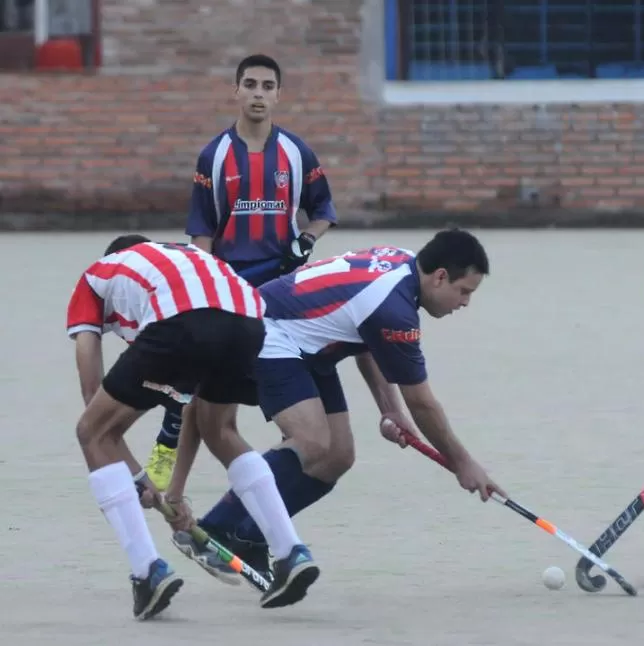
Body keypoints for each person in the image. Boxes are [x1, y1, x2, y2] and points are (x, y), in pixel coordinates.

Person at [164, 229, 506, 581]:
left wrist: (389, 409)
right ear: (440, 277)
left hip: (315, 344)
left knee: (338, 455)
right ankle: (216, 529)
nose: (464, 303)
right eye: (463, 292)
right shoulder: (396, 310)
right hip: (270, 330)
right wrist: (463, 463)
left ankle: (249, 536)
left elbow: (369, 336)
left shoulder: (402, 262)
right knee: (311, 442)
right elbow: (422, 403)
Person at [68, 235, 321, 618]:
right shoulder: (178, 264)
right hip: (248, 321)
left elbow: (95, 403)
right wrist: (167, 493)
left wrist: (136, 480)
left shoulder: (96, 277)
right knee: (220, 428)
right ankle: (290, 551)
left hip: (184, 321)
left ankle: (147, 571)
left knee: (91, 431)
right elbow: (187, 410)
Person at [144, 53, 338, 491]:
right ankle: (170, 456)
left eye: (267, 87)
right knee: (206, 390)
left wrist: (305, 241)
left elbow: (323, 209)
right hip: (230, 286)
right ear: (236, 91)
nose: (258, 94)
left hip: (282, 289)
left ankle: (290, 454)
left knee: (290, 366)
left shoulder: (296, 151)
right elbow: (202, 231)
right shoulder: (213, 155)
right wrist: (207, 286)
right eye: (250, 85)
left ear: (278, 95)